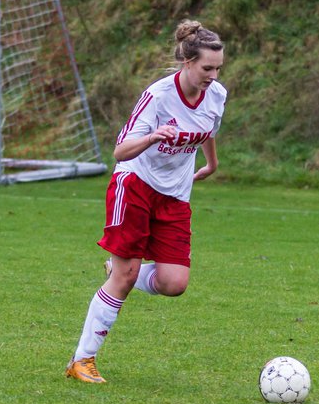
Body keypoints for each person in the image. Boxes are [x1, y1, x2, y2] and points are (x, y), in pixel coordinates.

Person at [65, 20, 227, 383]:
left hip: (175, 195)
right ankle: (81, 360)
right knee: (126, 275)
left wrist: (212, 163)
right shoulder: (158, 96)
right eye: (206, 68)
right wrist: (153, 136)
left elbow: (210, 129)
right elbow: (120, 151)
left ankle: (118, 270)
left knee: (174, 283)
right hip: (135, 184)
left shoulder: (217, 94)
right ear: (187, 62)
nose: (213, 76)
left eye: (218, 68)